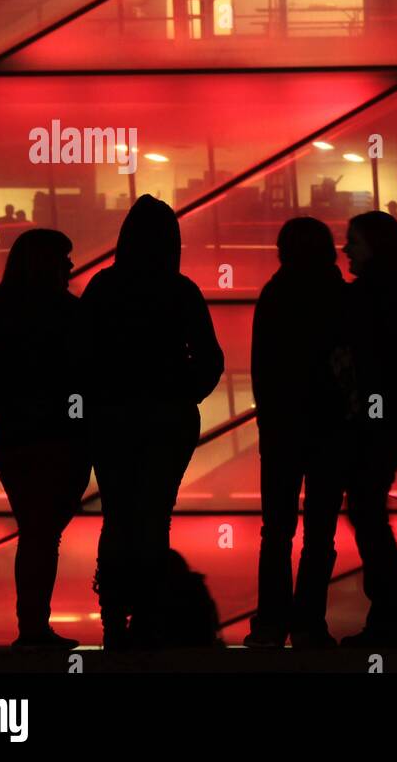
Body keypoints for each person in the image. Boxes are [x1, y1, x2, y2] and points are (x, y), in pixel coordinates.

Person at [81, 195, 224, 649]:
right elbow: (210, 361)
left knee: (117, 516)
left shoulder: (104, 287)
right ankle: (145, 616)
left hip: (113, 420)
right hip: (166, 421)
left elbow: (78, 358)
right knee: (153, 518)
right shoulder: (180, 290)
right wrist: (181, 394)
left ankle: (113, 621)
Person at [0, 228, 91, 650]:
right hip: (61, 439)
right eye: (64, 258)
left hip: (17, 440)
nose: (71, 266)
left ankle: (33, 627)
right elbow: (85, 376)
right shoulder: (69, 315)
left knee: (36, 531)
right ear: (47, 264)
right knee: (44, 532)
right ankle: (34, 627)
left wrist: (3, 418)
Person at [244, 218, 350, 649]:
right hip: (329, 428)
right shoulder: (340, 297)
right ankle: (309, 623)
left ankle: (271, 623)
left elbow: (262, 368)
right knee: (320, 532)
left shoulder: (275, 294)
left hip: (283, 428)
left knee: (277, 530)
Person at [337, 210, 397, 647]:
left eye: (353, 241)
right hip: (395, 416)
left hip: (378, 418)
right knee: (368, 511)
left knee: (366, 512)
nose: (346, 249)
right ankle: (392, 620)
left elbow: (369, 364)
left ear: (374, 246)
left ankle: (390, 620)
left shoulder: (369, 295)